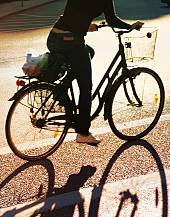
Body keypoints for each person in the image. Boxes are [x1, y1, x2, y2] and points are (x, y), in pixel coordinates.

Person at [47, 1, 143, 146]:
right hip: (71, 41)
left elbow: (72, 15)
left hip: (54, 38)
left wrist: (85, 26)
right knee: (86, 87)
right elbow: (112, 20)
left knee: (89, 52)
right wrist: (130, 27)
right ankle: (83, 133)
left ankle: (62, 89)